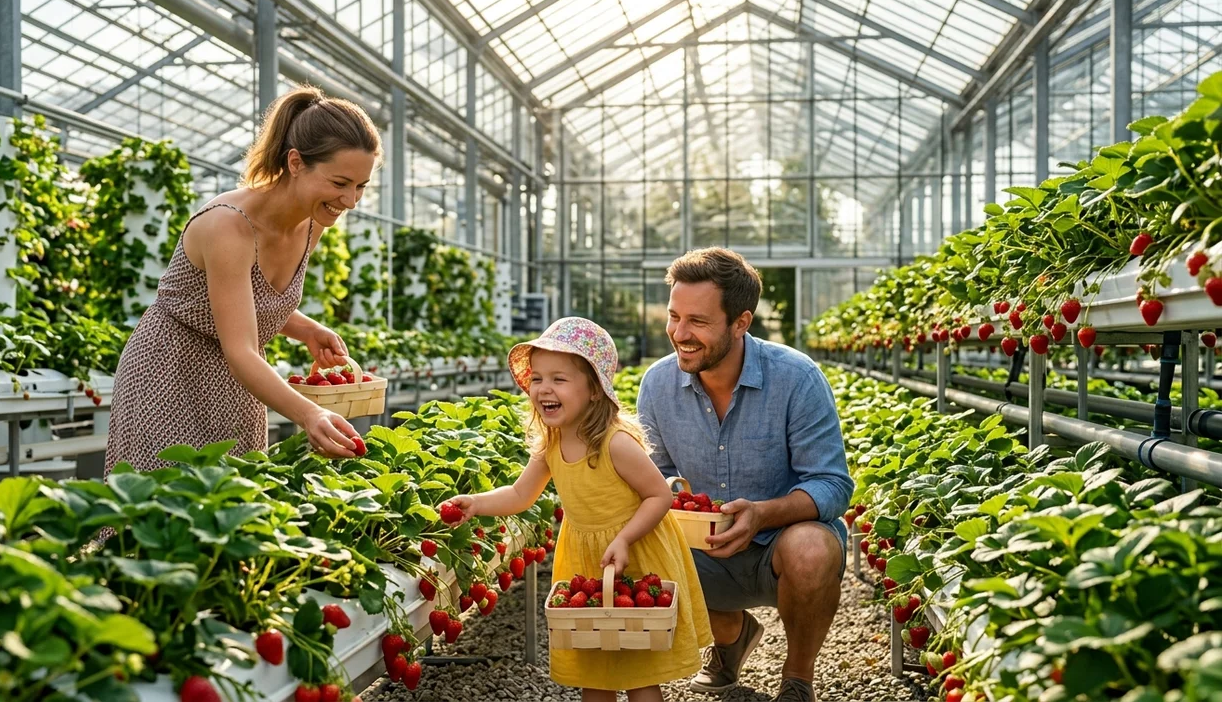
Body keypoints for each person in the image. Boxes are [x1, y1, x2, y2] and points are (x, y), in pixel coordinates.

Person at [105, 85, 378, 476]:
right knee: (162, 511)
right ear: (296, 162)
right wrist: (309, 414)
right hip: (168, 372)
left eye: (361, 186)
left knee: (235, 506)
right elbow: (241, 350)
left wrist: (306, 329)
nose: (351, 201)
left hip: (238, 384)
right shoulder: (228, 226)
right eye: (340, 183)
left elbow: (247, 303)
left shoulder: (314, 222)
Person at [441, 317, 712, 702]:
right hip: (586, 561)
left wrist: (624, 538)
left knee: (640, 670)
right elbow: (521, 495)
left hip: (634, 554)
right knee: (594, 667)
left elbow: (659, 496)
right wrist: (476, 503)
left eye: (559, 379)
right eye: (537, 378)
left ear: (594, 391)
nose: (543, 388)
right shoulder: (551, 444)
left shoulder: (615, 444)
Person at [636, 248, 855, 702]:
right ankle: (731, 636)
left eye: (698, 321)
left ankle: (797, 680)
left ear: (741, 322)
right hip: (703, 547)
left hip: (779, 544)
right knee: (639, 542)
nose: (679, 333)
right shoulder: (658, 385)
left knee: (813, 547)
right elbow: (651, 479)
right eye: (674, 316)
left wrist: (761, 514)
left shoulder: (796, 378)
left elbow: (832, 484)